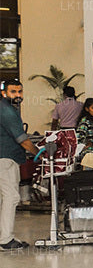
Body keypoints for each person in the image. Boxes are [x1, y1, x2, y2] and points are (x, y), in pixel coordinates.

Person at [1, 80, 39, 251]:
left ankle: (5, 236)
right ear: (4, 93)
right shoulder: (6, 110)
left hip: (9, 159)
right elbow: (22, 139)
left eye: (20, 91)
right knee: (11, 197)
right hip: (5, 159)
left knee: (6, 198)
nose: (17, 95)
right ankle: (5, 240)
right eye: (13, 92)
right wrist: (39, 153)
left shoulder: (10, 109)